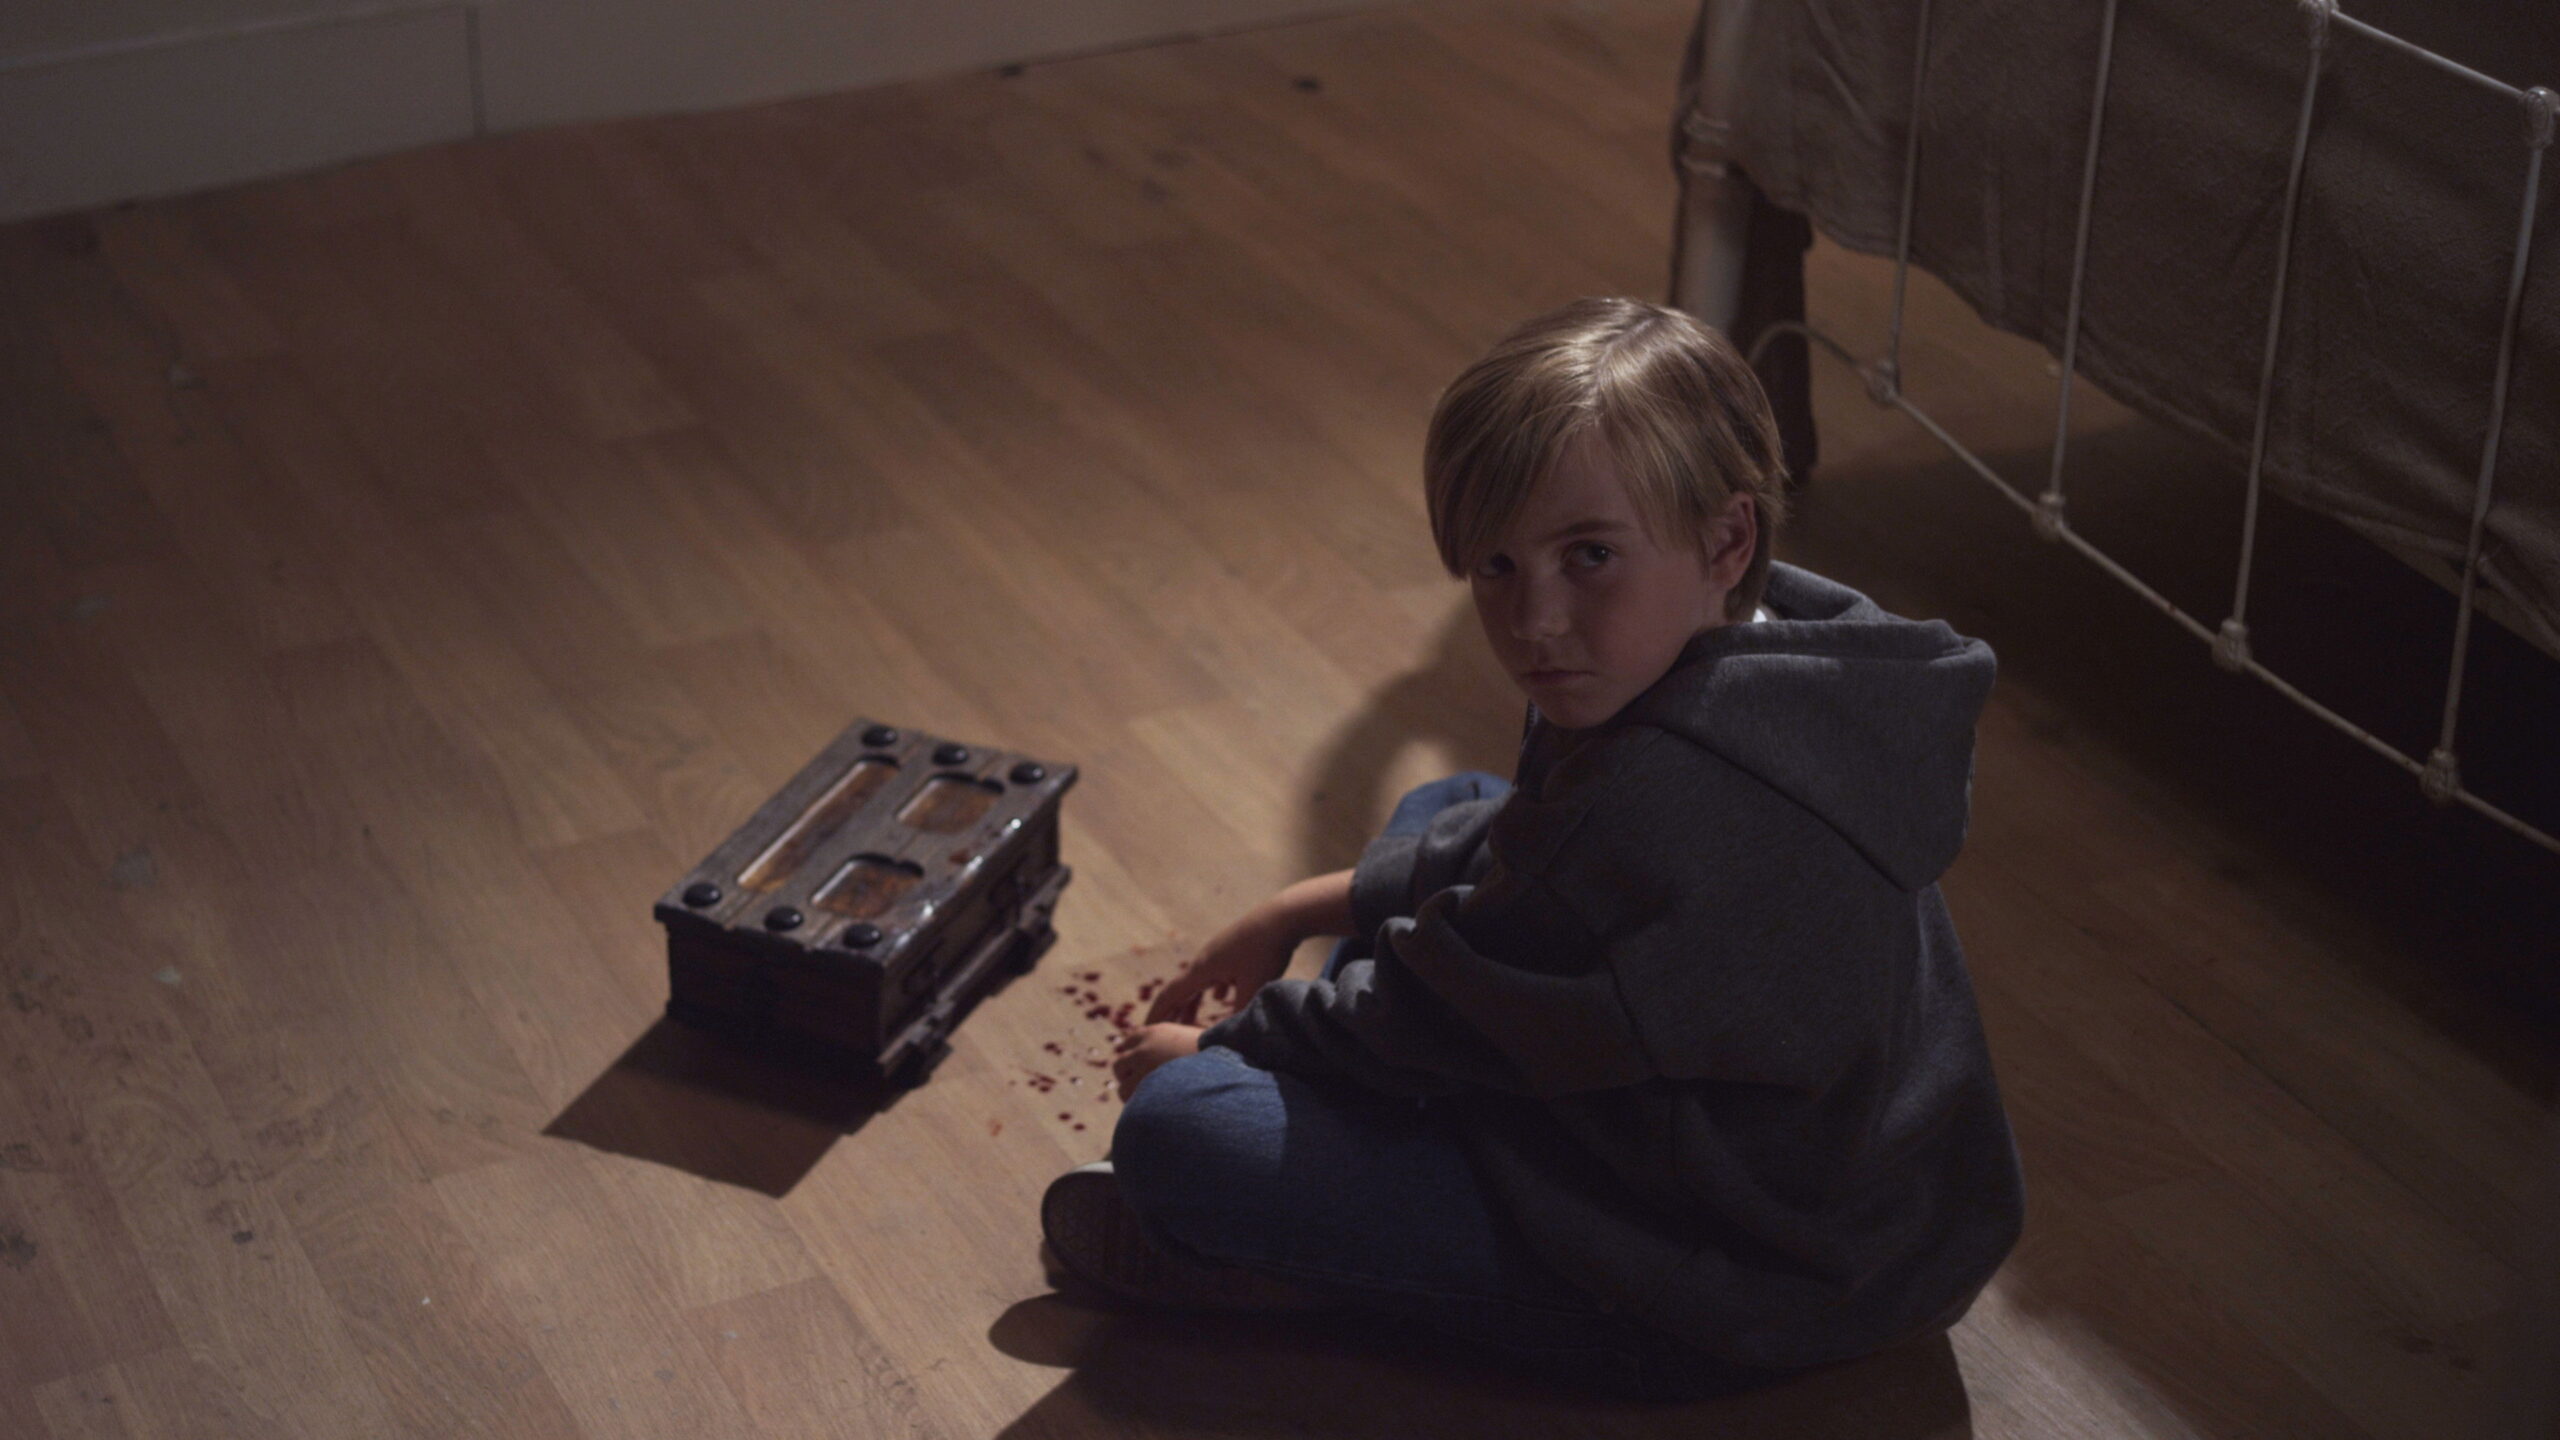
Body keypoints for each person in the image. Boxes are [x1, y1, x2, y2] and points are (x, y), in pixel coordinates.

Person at [1038, 296, 2026, 1400]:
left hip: (1733, 1279)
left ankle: (1312, 1277)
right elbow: (1529, 856)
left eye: (1588, 556)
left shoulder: (1660, 808)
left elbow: (1447, 1012)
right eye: (1497, 567)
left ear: (1727, 537)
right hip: (1883, 1213)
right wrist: (1297, 908)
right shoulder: (1785, 641)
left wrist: (1232, 1049)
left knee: (1182, 1133)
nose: (1533, 621)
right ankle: (1350, 1153)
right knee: (1456, 803)